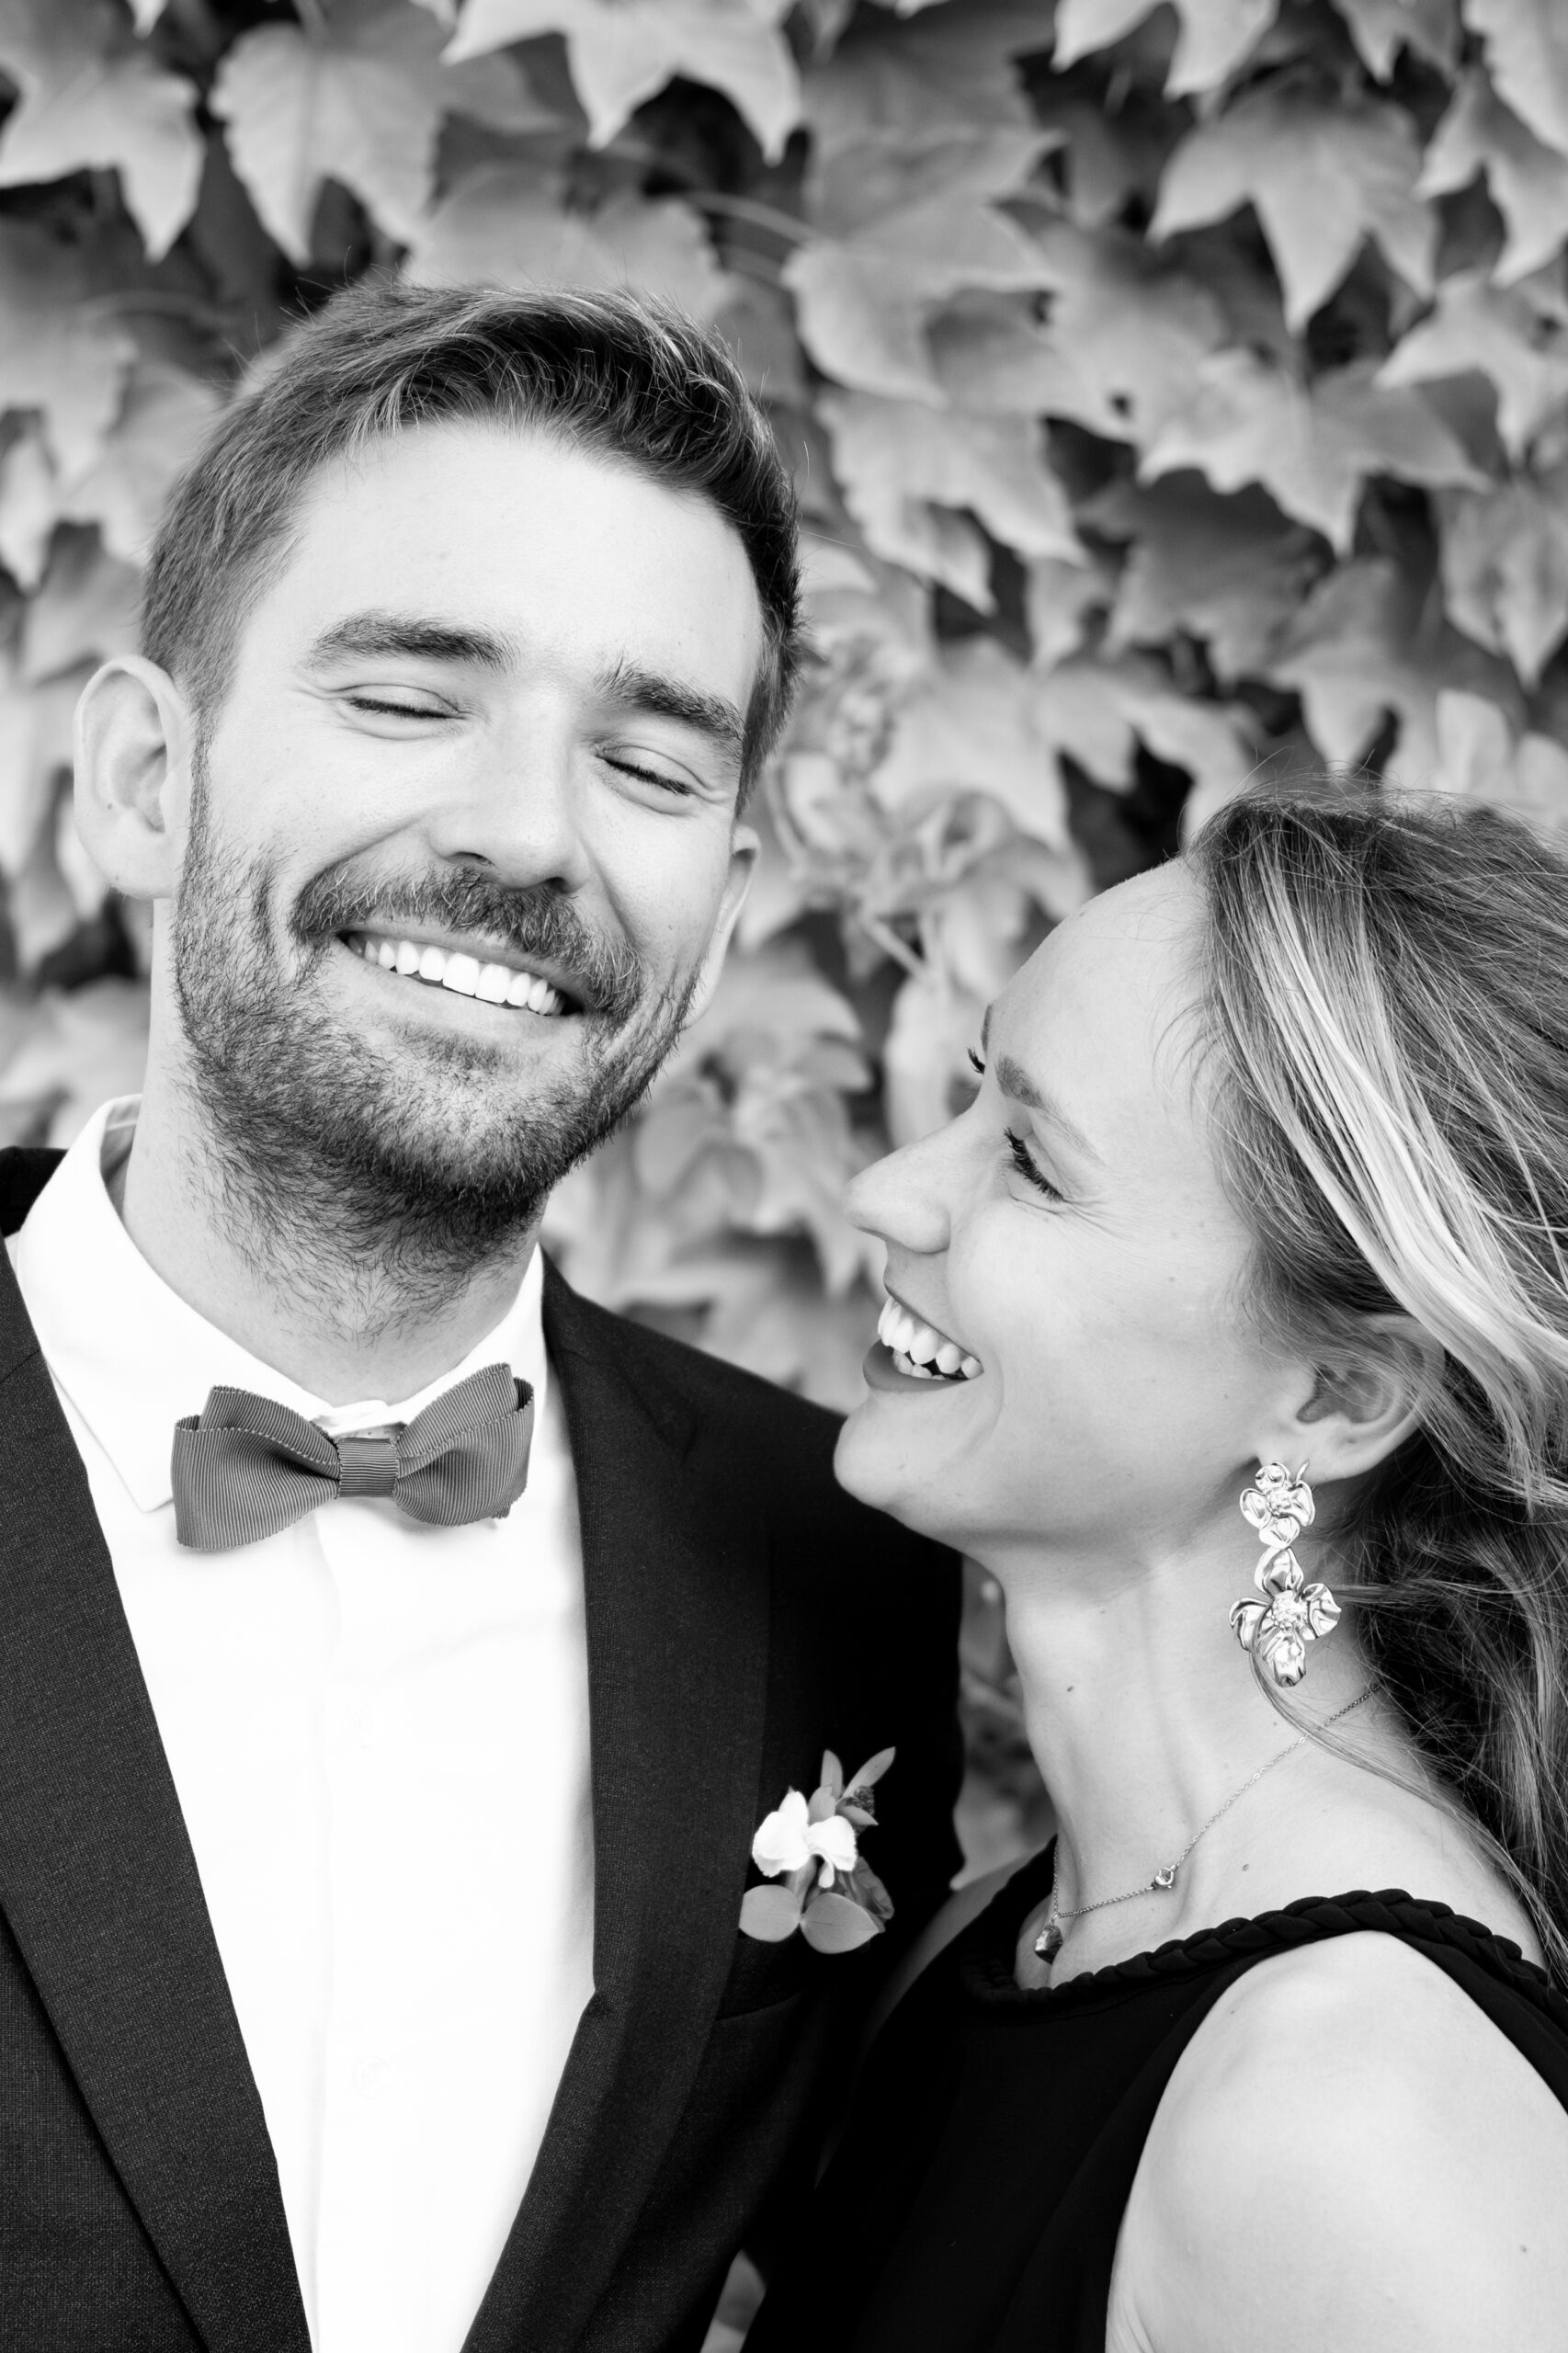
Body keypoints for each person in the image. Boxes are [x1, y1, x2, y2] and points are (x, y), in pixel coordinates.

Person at [0, 282, 962, 2353]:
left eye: (646, 758)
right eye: (408, 697)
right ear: (148, 775)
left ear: (725, 899)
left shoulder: (836, 1569)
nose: (528, 833)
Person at [747, 787, 1568, 2353]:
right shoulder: (983, 1948)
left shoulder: (1353, 2121)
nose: (887, 1189)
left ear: (1334, 1397)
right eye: (972, 1088)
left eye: (1029, 1162)